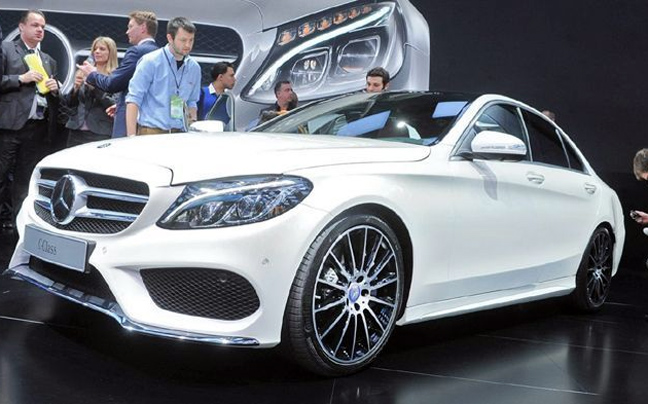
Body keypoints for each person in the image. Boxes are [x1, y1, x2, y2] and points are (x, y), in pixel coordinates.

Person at [0, 10, 61, 220]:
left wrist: (55, 89)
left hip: (37, 129)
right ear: (21, 27)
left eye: (43, 27)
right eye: (35, 25)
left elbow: (53, 99)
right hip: (9, 126)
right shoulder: (6, 49)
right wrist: (20, 78)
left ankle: (18, 224)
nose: (40, 30)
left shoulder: (48, 60)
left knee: (25, 181)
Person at [77, 10, 158, 138]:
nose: (127, 32)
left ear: (143, 28)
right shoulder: (161, 54)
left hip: (129, 122)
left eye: (130, 27)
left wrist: (93, 74)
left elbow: (113, 84)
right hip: (151, 122)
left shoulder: (136, 52)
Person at [125, 17, 201, 136]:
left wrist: (192, 127)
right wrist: (131, 137)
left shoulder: (194, 67)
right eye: (183, 40)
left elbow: (192, 102)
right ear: (170, 38)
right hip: (152, 132)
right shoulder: (150, 61)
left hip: (180, 134)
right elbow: (133, 100)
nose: (188, 45)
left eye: (191, 40)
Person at [64, 37, 118, 147]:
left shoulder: (116, 77)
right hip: (76, 131)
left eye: (102, 49)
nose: (97, 51)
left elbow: (113, 105)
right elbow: (70, 104)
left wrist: (95, 88)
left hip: (99, 132)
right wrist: (75, 89)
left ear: (111, 53)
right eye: (95, 49)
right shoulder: (83, 72)